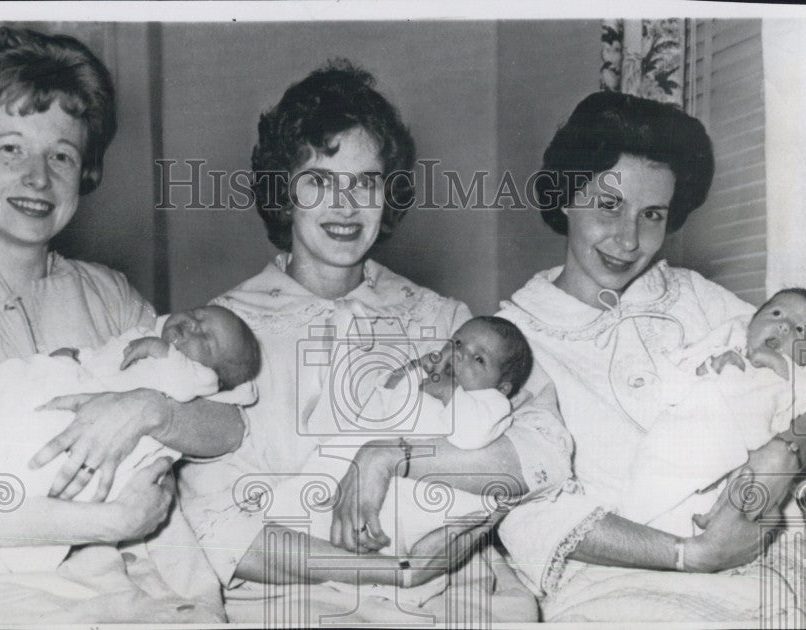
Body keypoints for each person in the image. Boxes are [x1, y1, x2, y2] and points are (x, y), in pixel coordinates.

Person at [178, 61, 568, 624]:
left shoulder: (446, 321)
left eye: (366, 181)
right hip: (294, 606)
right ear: (281, 193)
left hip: (459, 599)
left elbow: (546, 452)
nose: (345, 205)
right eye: (319, 180)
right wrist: (390, 572)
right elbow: (218, 527)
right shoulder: (222, 334)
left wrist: (397, 457)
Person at [0, 27, 245, 624]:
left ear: (83, 173)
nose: (39, 178)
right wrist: (107, 522)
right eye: (10, 148)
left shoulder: (110, 296)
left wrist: (149, 408)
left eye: (61, 155)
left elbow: (227, 423)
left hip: (134, 591)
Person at [490, 91, 806, 622]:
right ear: (565, 196)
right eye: (609, 205)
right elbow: (529, 512)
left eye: (651, 214)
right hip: (623, 586)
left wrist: (783, 455)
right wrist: (690, 556)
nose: (628, 239)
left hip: (773, 565)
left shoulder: (698, 297)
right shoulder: (511, 339)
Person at [0, 305, 261, 575]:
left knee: (67, 465)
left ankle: (31, 527)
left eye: (206, 340)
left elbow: (207, 401)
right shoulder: (140, 333)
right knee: (24, 388)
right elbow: (105, 358)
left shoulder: (196, 377)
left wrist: (161, 352)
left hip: (117, 447)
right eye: (196, 315)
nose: (193, 326)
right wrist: (76, 357)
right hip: (81, 390)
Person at [271, 316, 533, 566]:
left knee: (385, 514)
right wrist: (413, 369)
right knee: (328, 461)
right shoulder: (428, 378)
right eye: (457, 343)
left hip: (422, 486)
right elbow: (386, 393)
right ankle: (289, 511)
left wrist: (447, 392)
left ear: (502, 387)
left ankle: (358, 544)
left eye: (478, 359)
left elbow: (471, 435)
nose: (460, 354)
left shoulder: (491, 402)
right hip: (373, 462)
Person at [621, 287, 806, 534]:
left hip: (739, 460)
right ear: (753, 320)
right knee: (653, 480)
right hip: (687, 434)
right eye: (777, 313)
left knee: (726, 507)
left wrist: (783, 368)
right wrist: (708, 367)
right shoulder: (725, 345)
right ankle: (635, 523)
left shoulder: (805, 377)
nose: (785, 326)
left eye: (801, 330)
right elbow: (673, 381)